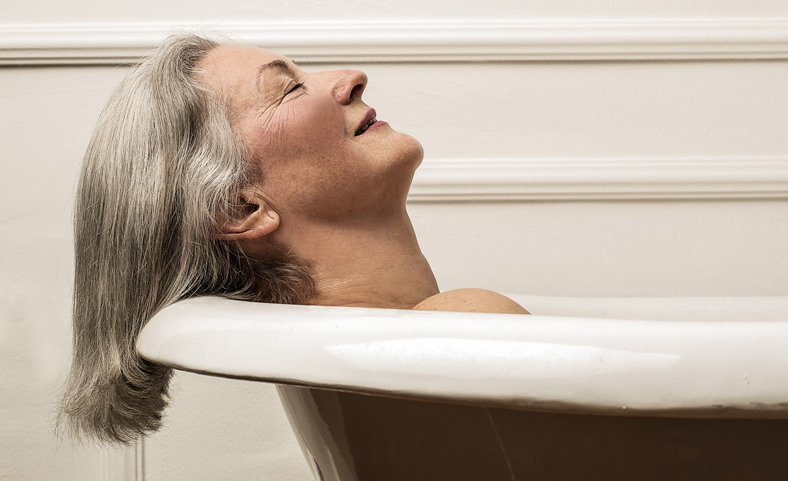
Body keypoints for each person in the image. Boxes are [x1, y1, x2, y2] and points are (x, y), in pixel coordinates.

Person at [59, 33, 526, 445]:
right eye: (290, 88)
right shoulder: (463, 324)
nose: (351, 78)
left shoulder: (420, 343)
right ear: (240, 208)